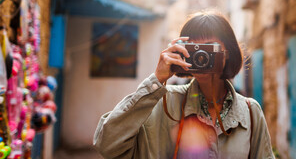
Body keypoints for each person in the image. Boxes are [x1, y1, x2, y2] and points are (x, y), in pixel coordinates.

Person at [93, 10, 275, 159]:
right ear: (181, 51)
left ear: (227, 53)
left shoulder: (250, 112)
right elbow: (107, 144)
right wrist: (157, 79)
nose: (201, 57)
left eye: (209, 48)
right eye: (194, 49)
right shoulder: (160, 102)